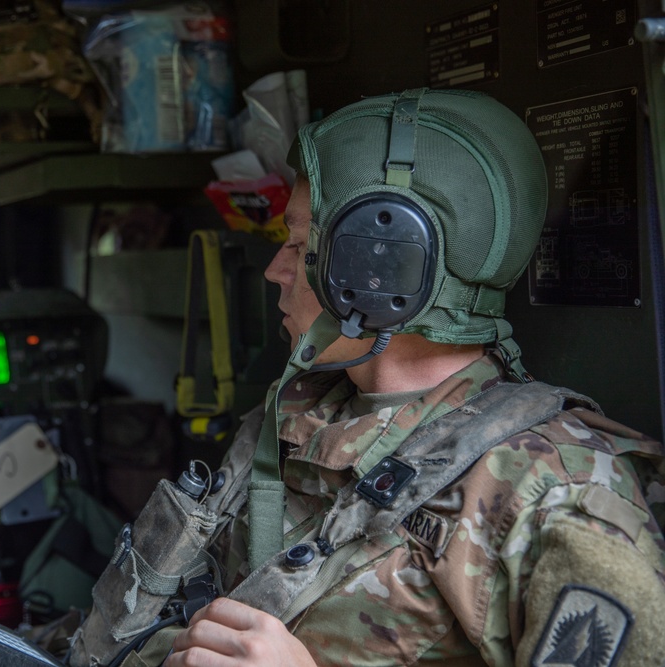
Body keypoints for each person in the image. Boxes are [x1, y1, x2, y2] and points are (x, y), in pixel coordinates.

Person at [69, 88, 665, 667]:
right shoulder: (293, 419)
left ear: (386, 265)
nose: (276, 270)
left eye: (300, 244)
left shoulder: (559, 492)